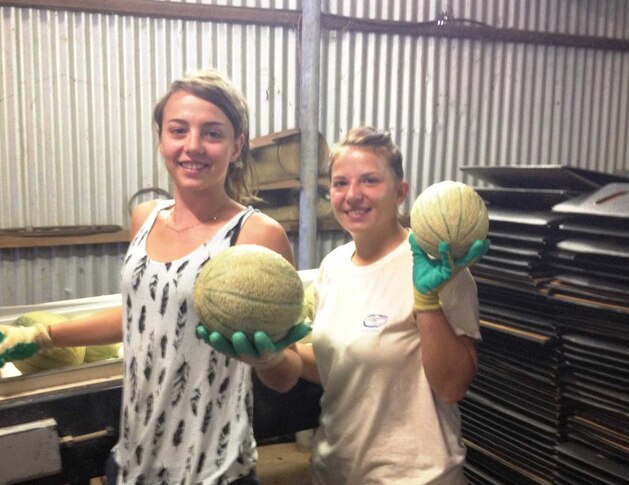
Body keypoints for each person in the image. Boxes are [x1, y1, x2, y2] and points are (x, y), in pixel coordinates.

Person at [0, 68, 308, 484]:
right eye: (178, 130)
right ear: (161, 139)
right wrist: (41, 337)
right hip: (134, 459)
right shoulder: (145, 217)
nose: (192, 146)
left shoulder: (257, 234)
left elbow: (288, 373)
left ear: (237, 146)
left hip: (212, 468)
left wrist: (270, 358)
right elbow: (141, 315)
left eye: (212, 133)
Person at [200, 126, 489, 484]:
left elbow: (452, 386)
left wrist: (427, 300)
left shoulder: (439, 269)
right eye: (340, 183)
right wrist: (272, 356)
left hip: (417, 476)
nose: (353, 195)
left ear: (400, 191)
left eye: (369, 180)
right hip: (335, 470)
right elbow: (334, 365)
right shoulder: (333, 267)